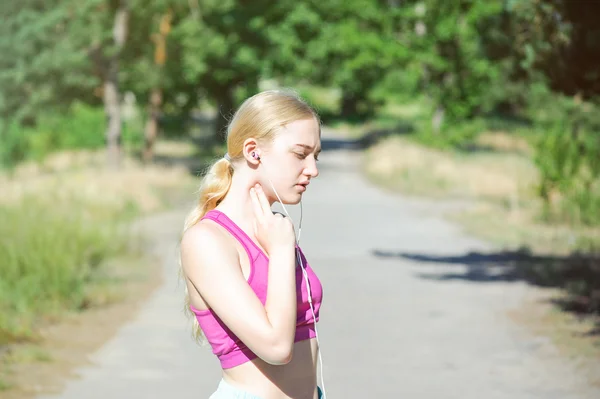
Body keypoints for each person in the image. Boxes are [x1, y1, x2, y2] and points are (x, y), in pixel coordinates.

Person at [179, 89, 325, 399]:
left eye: (316, 156)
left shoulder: (274, 229)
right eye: (301, 154)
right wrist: (283, 250)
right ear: (253, 151)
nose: (312, 169)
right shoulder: (206, 240)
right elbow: (275, 347)